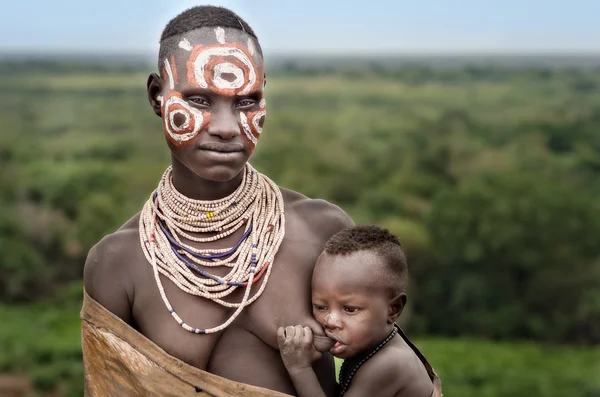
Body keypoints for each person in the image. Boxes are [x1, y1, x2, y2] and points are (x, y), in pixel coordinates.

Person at [81, 5, 354, 397]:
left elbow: (390, 373)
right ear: (158, 95)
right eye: (200, 100)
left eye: (246, 101)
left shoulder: (323, 231)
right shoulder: (118, 264)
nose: (226, 128)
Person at [277, 225, 442, 397]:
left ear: (394, 309)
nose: (331, 321)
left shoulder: (390, 364)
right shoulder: (370, 348)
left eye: (349, 309)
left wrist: (300, 367)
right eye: (321, 307)